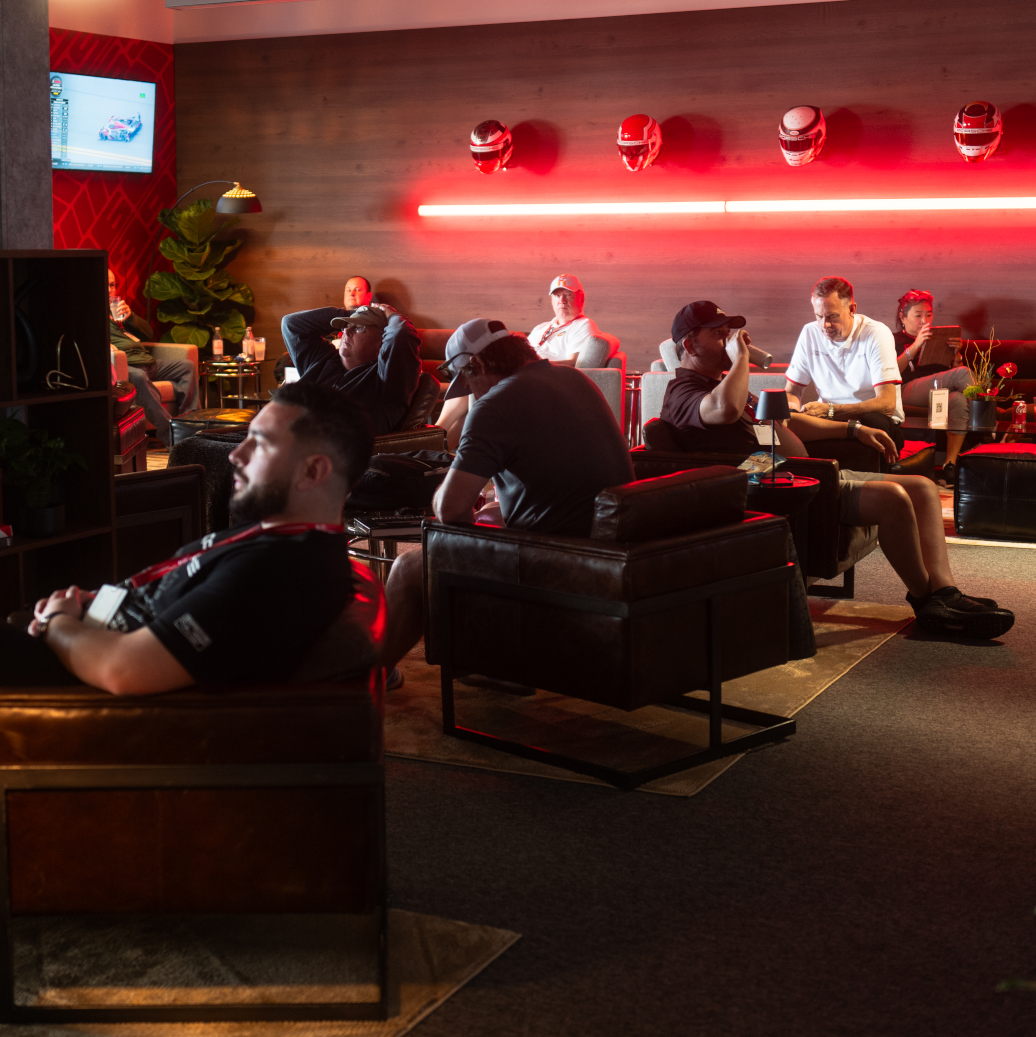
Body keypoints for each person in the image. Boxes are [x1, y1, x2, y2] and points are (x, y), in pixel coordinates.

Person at [661, 299, 1014, 640]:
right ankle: (928, 602)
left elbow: (789, 423)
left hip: (803, 476)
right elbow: (721, 411)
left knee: (921, 487)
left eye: (731, 333)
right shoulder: (683, 391)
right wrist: (740, 362)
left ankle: (945, 591)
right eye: (719, 334)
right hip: (774, 492)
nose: (732, 340)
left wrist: (854, 429)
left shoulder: (727, 389)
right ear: (690, 344)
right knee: (893, 497)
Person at [0, 383, 375, 693]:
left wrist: (58, 624)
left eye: (258, 443)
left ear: (312, 471)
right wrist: (94, 604)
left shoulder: (281, 571)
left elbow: (124, 670)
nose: (235, 455)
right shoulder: (277, 538)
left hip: (72, 691)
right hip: (86, 640)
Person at [380, 319, 635, 680]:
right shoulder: (577, 380)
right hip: (609, 552)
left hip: (559, 562)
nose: (470, 390)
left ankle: (369, 676)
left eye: (466, 380)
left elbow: (450, 509)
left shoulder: (497, 404)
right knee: (490, 519)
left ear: (478, 366)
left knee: (410, 568)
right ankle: (488, 661)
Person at [438, 273, 617, 449]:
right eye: (557, 295)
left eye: (568, 295)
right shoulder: (541, 327)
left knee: (473, 381)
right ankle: (438, 451)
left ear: (581, 299)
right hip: (522, 374)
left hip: (540, 378)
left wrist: (534, 366)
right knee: (471, 388)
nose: (562, 300)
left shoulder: (583, 325)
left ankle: (433, 436)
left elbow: (574, 361)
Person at [785, 276, 905, 451]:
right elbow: (792, 391)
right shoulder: (809, 333)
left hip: (877, 420)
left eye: (832, 317)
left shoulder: (876, 333)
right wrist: (793, 411)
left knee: (871, 423)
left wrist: (830, 410)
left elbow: (886, 404)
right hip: (831, 419)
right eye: (819, 316)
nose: (825, 324)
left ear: (851, 309)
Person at [281, 302, 420, 436]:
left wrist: (390, 314)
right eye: (346, 326)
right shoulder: (323, 360)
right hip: (287, 437)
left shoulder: (385, 377)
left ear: (382, 343)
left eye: (359, 328)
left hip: (322, 451)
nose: (347, 331)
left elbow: (402, 333)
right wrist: (355, 313)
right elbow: (291, 324)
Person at [109, 268, 198, 447]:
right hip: (128, 367)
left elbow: (148, 334)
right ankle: (172, 437)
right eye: (105, 285)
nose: (110, 289)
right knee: (140, 377)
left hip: (147, 361)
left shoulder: (117, 310)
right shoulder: (90, 313)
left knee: (187, 366)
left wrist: (130, 318)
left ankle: (191, 427)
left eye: (112, 285)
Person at [893, 289, 974, 485]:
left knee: (958, 399)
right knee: (963, 373)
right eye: (918, 315)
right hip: (905, 391)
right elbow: (890, 372)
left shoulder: (938, 337)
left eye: (928, 315)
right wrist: (915, 346)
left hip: (938, 389)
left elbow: (950, 374)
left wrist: (956, 356)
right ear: (903, 317)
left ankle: (950, 465)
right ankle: (988, 421)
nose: (924, 320)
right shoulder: (892, 339)